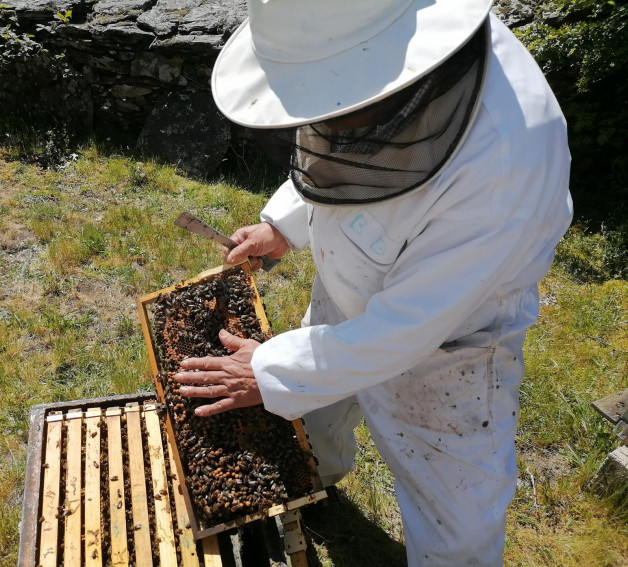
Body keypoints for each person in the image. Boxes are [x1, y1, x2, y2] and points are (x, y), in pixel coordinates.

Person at [173, 0, 573, 564]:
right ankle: (318, 481)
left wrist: (270, 369)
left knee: (454, 518)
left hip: (449, 347)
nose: (321, 124)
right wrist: (283, 225)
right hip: (354, 279)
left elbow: (408, 329)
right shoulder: (366, 40)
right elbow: (342, 144)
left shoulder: (504, 164)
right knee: (317, 408)